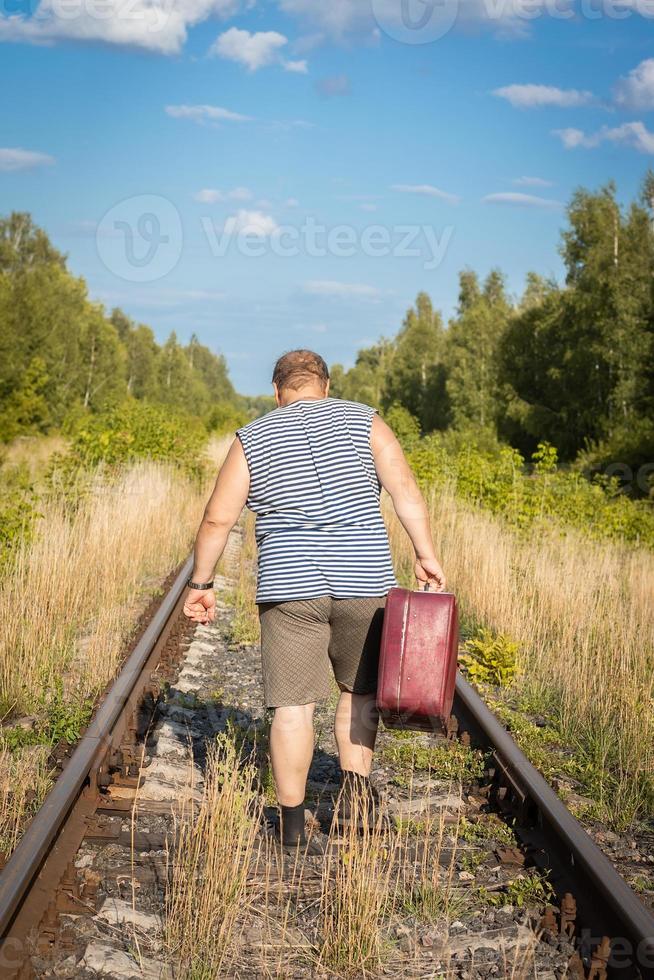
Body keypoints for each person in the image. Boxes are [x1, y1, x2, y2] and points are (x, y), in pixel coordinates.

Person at [183, 349, 446, 849]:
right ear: (326, 385)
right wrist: (425, 554)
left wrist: (202, 583)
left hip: (289, 588)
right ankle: (356, 804)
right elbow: (405, 490)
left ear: (277, 392)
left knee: (293, 707)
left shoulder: (253, 436)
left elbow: (218, 518)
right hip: (363, 582)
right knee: (359, 694)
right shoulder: (365, 420)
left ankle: (292, 826)